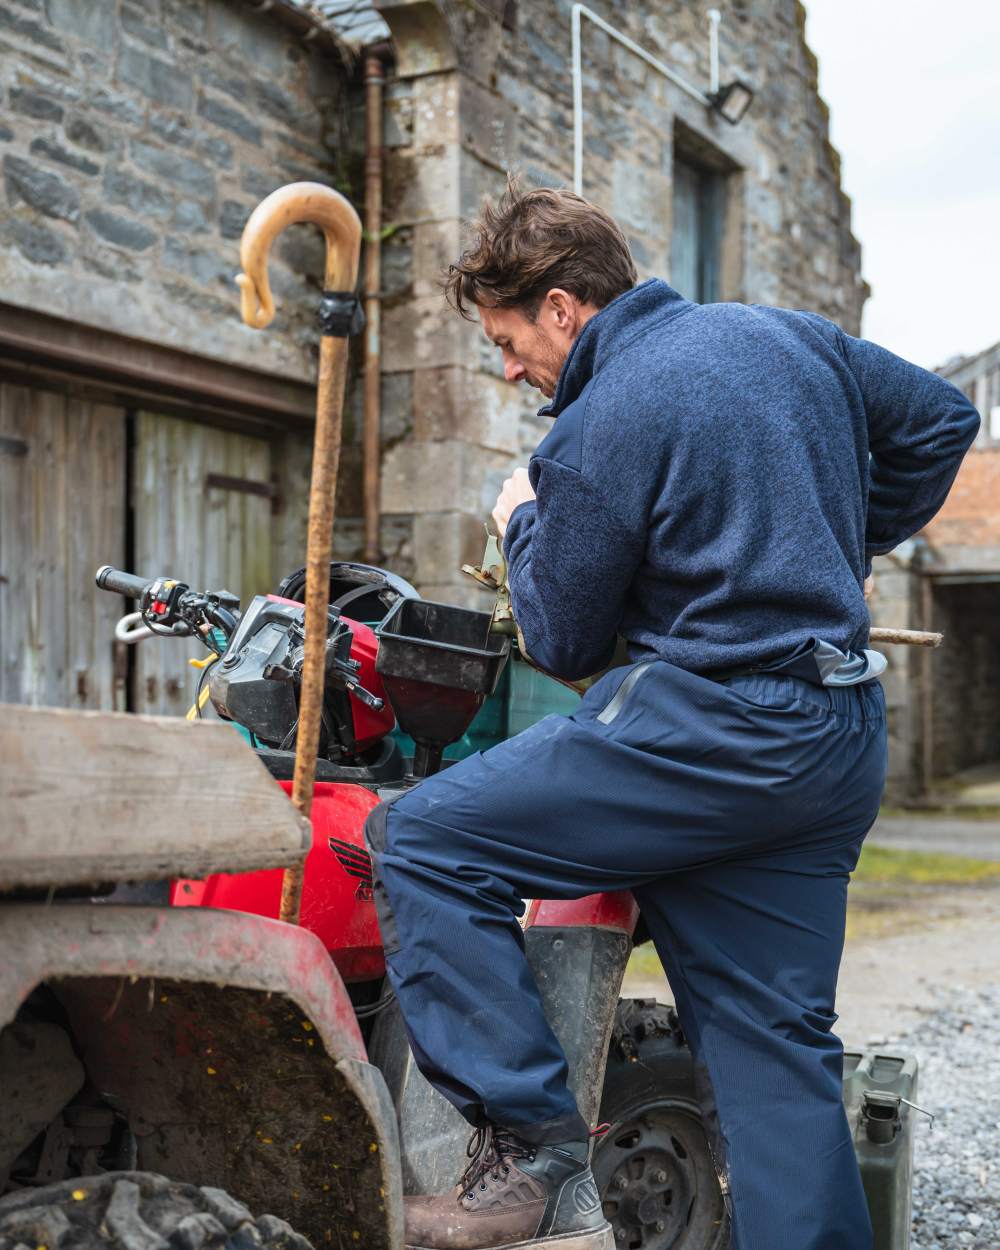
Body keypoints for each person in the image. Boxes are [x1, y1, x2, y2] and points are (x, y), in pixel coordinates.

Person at [364, 179, 979, 1250]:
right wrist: (838, 543)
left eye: (509, 339)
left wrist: (520, 518)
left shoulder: (600, 423)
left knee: (418, 839)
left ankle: (536, 1155)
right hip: (832, 737)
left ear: (562, 307)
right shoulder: (790, 337)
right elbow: (943, 421)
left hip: (716, 731)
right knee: (772, 1051)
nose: (510, 368)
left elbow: (556, 635)